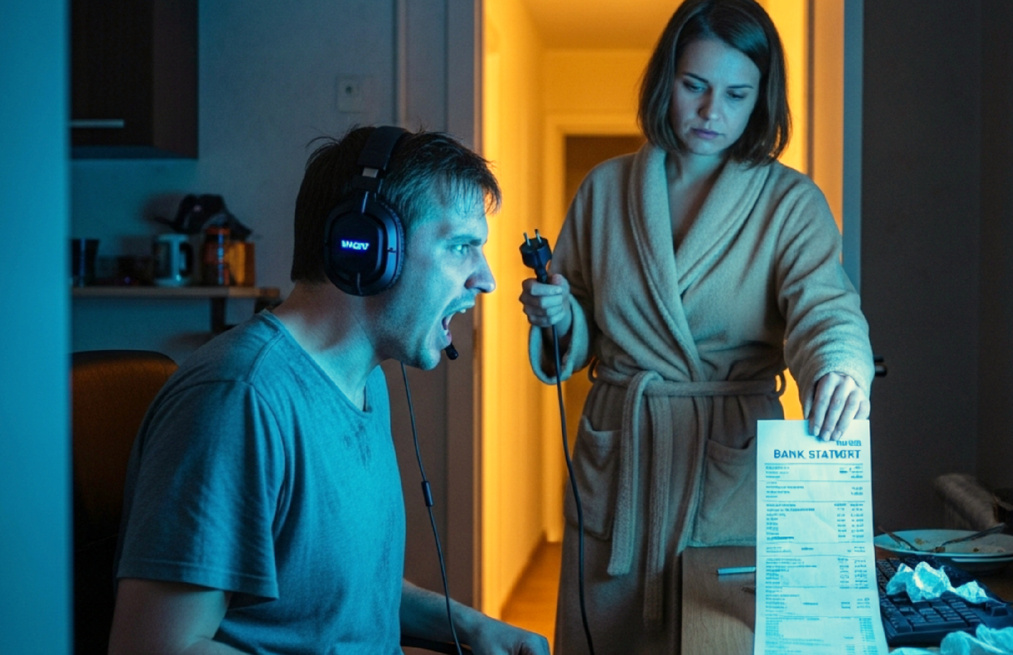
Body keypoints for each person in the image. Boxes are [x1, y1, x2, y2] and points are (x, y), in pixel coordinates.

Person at [110, 126, 550, 655]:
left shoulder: (364, 381)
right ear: (369, 247)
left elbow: (338, 598)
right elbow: (156, 646)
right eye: (461, 247)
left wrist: (476, 629)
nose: (486, 279)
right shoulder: (240, 400)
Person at [518, 0, 874, 652]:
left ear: (761, 99)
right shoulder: (604, 190)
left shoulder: (790, 203)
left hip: (726, 458)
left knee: (717, 636)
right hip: (623, 461)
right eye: (695, 86)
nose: (713, 112)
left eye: (737, 94)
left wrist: (840, 366)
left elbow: (824, 306)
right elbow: (581, 320)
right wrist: (561, 316)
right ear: (666, 80)